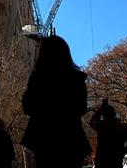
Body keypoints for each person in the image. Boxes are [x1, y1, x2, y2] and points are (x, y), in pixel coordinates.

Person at [20, 35, 90, 168]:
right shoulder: (76, 78)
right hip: (71, 137)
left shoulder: (37, 78)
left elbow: (28, 107)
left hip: (44, 138)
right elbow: (82, 108)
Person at [89, 100, 127, 168]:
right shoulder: (121, 127)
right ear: (114, 114)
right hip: (116, 161)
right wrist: (123, 151)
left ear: (104, 115)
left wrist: (100, 110)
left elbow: (92, 122)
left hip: (102, 161)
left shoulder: (101, 125)